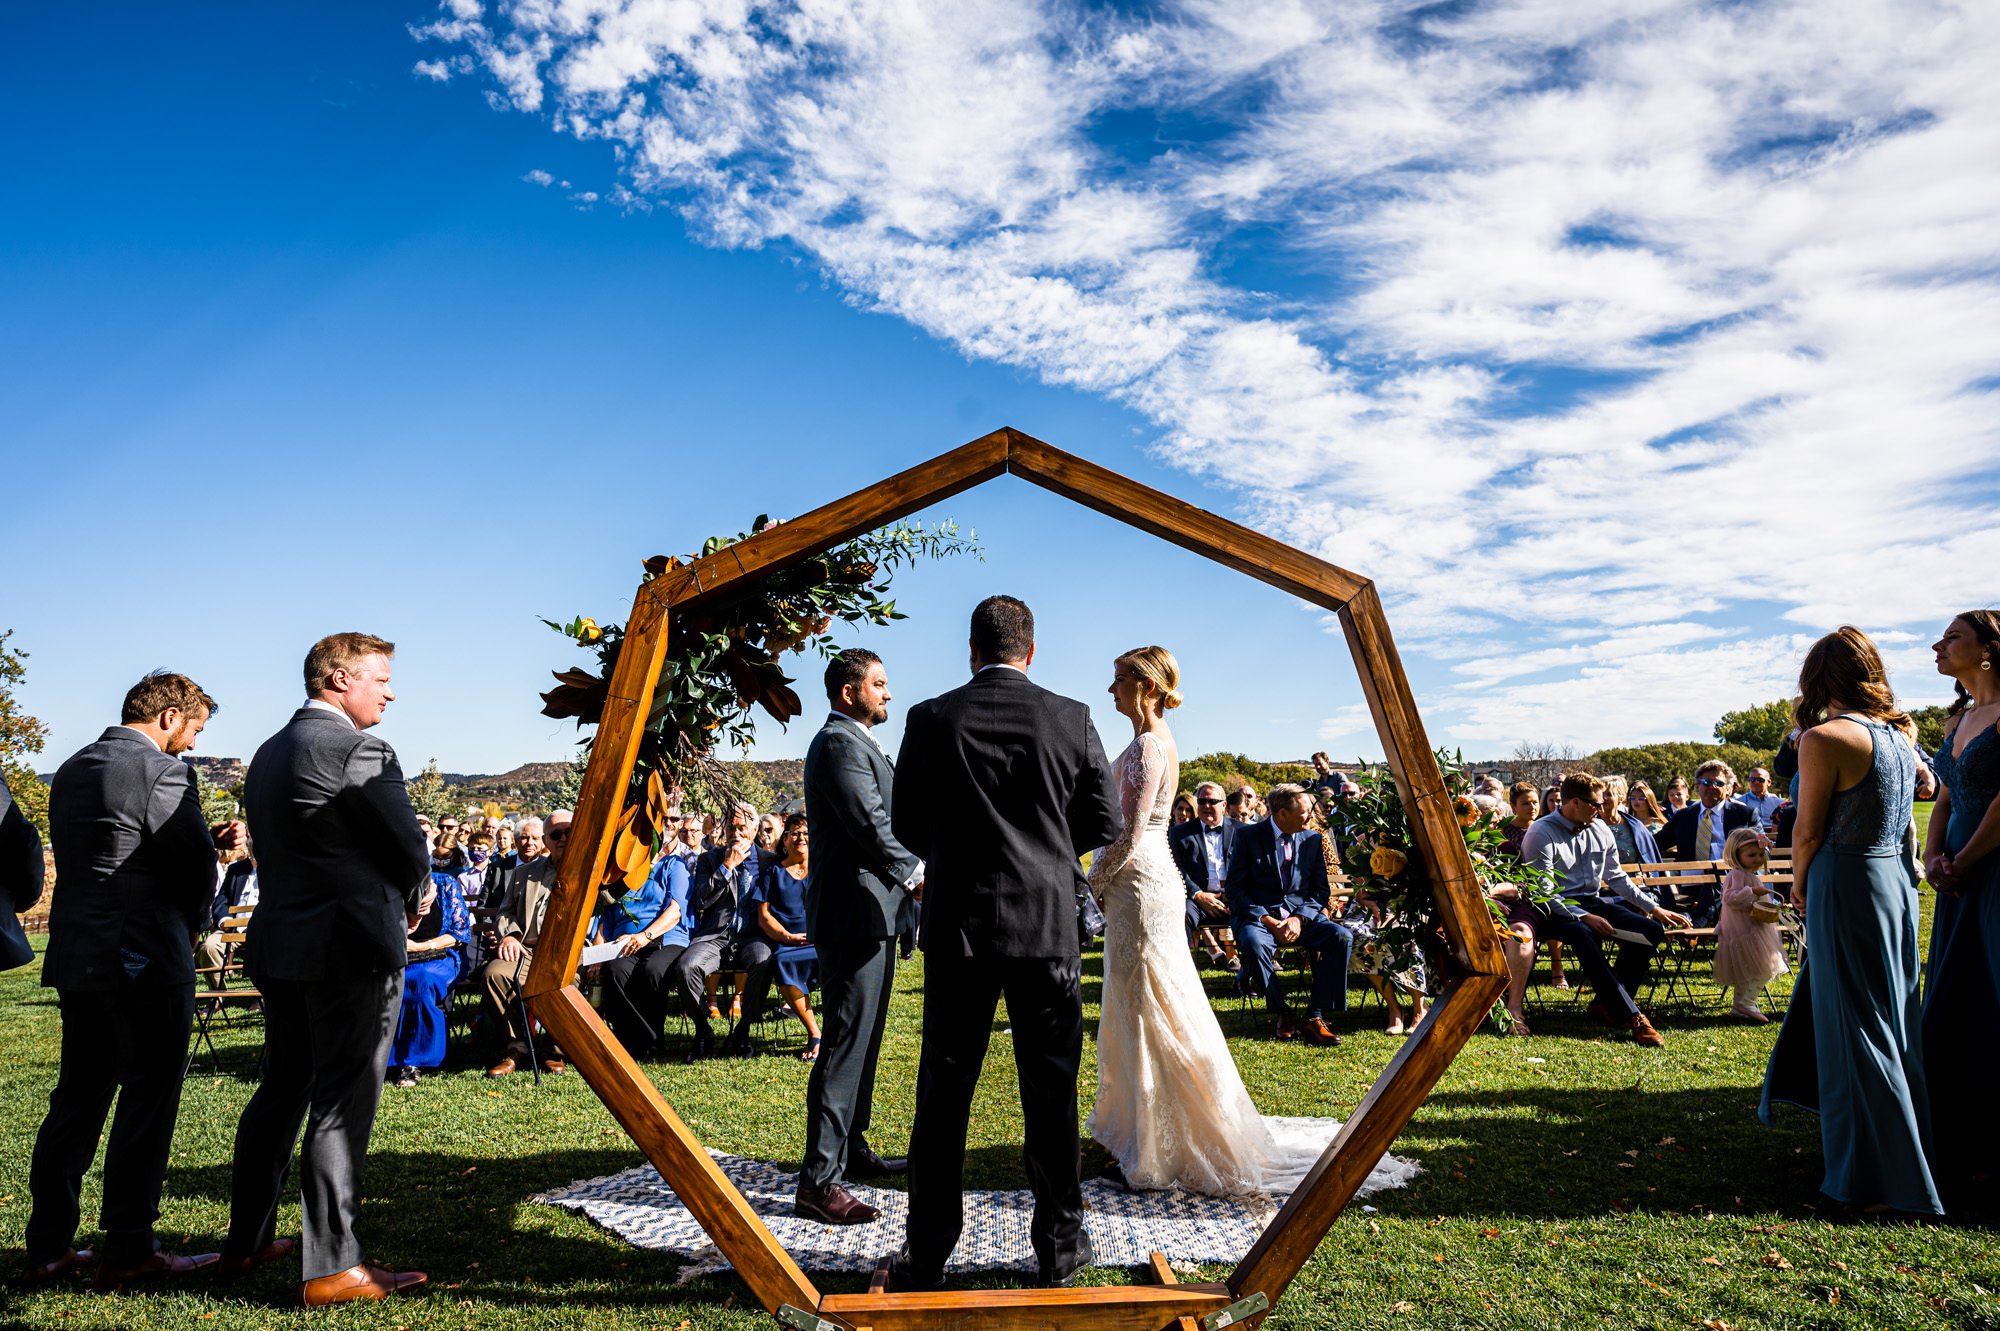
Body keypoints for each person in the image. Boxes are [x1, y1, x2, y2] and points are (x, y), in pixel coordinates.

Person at [1087, 646, 1415, 1198]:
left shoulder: (1148, 743)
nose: (1110, 689)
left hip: (1139, 884)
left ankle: (1161, 1143)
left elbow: (1131, 829)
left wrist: (1093, 880)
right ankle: (1138, 1129)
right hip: (1143, 884)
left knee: (1149, 1003)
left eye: (1118, 679)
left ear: (1145, 686)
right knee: (1140, 1001)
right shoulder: (1150, 741)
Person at [889, 596, 1121, 1292]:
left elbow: (904, 820)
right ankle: (1059, 1245)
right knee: (1050, 1089)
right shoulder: (1071, 717)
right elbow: (1105, 817)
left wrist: (959, 855)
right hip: (1047, 923)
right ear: (1032, 648)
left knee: (943, 1092)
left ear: (971, 648)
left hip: (960, 923)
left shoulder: (930, 717)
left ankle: (927, 1250)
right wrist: (1046, 852)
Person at [222, 633, 432, 1304]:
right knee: (342, 1099)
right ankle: (332, 1265)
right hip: (349, 945)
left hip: (282, 944)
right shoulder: (356, 747)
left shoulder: (269, 752)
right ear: (339, 679)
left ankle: (249, 1238)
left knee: (281, 1089)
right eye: (381, 678)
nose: (391, 690)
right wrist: (415, 895)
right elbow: (407, 846)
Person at [25, 673, 241, 1290]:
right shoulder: (164, 773)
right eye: (196, 728)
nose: (195, 744)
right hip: (143, 955)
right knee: (147, 1102)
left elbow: (116, 848)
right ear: (171, 716)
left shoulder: (72, 768)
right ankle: (129, 1246)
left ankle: (47, 1247)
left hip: (79, 954)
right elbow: (188, 868)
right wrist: (206, 894)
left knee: (76, 1100)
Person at [1760, 626, 1943, 1216]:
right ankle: (1907, 1153)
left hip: (1844, 880)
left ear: (1816, 679)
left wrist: (1800, 888)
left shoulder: (1823, 738)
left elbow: (1808, 830)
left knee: (1853, 1026)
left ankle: (1872, 1178)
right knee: (1891, 1018)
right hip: (1891, 884)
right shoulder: (1898, 738)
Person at [797, 649, 922, 1226]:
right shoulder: (839, 745)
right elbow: (869, 822)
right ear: (848, 693)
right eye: (879, 683)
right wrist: (919, 873)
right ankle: (818, 1181)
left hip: (875, 915)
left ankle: (852, 1147)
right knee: (846, 1043)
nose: (888, 693)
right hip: (852, 916)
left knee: (865, 1040)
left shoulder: (857, 742)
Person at [1920, 609, 2000, 1209]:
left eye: (1952, 638)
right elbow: (1944, 796)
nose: (1938, 645)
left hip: (1993, 868)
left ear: (1989, 649)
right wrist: (1932, 855)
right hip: (1954, 874)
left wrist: (1969, 858)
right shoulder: (1958, 718)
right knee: (1955, 994)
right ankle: (1957, 1137)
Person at [1520, 772, 1688, 1047]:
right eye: (1596, 804)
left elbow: (1617, 877)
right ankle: (1632, 1016)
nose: (1603, 809)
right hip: (1552, 910)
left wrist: (1654, 908)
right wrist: (1585, 916)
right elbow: (1543, 893)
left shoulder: (1599, 829)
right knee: (1583, 933)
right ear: (1574, 802)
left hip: (1592, 901)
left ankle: (1606, 1004)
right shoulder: (1541, 832)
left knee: (1650, 930)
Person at [1225, 784, 1355, 1044]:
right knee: (1253, 942)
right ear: (1282, 814)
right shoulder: (1249, 837)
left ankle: (1315, 1016)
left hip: (1302, 917)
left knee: (1341, 937)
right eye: (1305, 811)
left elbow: (1320, 891)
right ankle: (1281, 1011)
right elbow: (1236, 889)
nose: (1310, 816)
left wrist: (1299, 918)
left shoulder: (1313, 839)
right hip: (1261, 917)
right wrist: (1267, 919)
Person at [671, 801, 767, 1061]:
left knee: (764, 960)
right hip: (714, 936)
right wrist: (727, 867)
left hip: (752, 936)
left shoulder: (768, 861)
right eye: (731, 827)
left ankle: (744, 1030)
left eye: (742, 828)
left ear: (755, 829)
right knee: (686, 967)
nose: (736, 834)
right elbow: (700, 900)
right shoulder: (709, 859)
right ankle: (703, 1031)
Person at [480, 810, 567, 1076]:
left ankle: (553, 1050)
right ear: (546, 841)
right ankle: (518, 1046)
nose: (563, 838)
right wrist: (510, 935)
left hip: (566, 950)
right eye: (556, 834)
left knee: (566, 982)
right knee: (495, 973)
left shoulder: (587, 869)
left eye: (568, 832)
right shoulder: (525, 873)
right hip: (527, 949)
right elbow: (505, 911)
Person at [591, 844, 690, 1061]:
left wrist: (644, 936)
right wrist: (598, 953)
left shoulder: (672, 866)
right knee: (616, 971)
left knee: (652, 970)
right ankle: (633, 1039)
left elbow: (675, 911)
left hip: (665, 940)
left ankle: (649, 1040)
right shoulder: (620, 871)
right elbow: (604, 918)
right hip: (622, 942)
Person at [389, 840, 470, 1088]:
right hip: (399, 957)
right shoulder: (390, 889)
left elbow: (458, 934)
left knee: (420, 980)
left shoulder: (445, 884)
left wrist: (421, 946)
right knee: (382, 981)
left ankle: (412, 1062)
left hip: (441, 955)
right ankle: (380, 1059)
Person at [744, 813, 821, 1059]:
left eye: (806, 833)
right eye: (795, 833)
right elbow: (763, 916)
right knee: (782, 962)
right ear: (784, 840)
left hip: (822, 939)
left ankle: (836, 1034)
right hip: (787, 943)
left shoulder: (824, 869)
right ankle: (815, 1034)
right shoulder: (773, 872)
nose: (801, 838)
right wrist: (787, 937)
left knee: (839, 961)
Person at [1713, 827, 1786, 1023]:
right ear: (1737, 855)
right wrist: (1752, 890)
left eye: (1761, 854)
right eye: (1751, 855)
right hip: (1743, 929)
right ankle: (1746, 1002)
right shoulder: (1736, 875)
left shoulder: (1750, 875)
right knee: (1761, 967)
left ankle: (1742, 1005)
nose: (1757, 859)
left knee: (1754, 967)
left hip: (1754, 926)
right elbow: (1730, 898)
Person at [1166, 780, 1239, 970]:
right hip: (1197, 899)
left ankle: (1248, 978)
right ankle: (1181, 973)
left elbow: (1250, 868)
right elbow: (1176, 869)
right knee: (1180, 915)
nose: (1206, 806)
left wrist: (1234, 892)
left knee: (1252, 920)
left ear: (1224, 805)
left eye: (1212, 801)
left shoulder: (1243, 831)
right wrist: (1198, 894)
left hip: (1234, 898)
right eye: (1201, 801)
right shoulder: (1179, 833)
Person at [1597, 776, 1662, 867]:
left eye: (1609, 794)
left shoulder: (1634, 826)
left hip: (1633, 877)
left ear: (1621, 798)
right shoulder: (1591, 824)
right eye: (1601, 794)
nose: (1604, 798)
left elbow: (1646, 858)